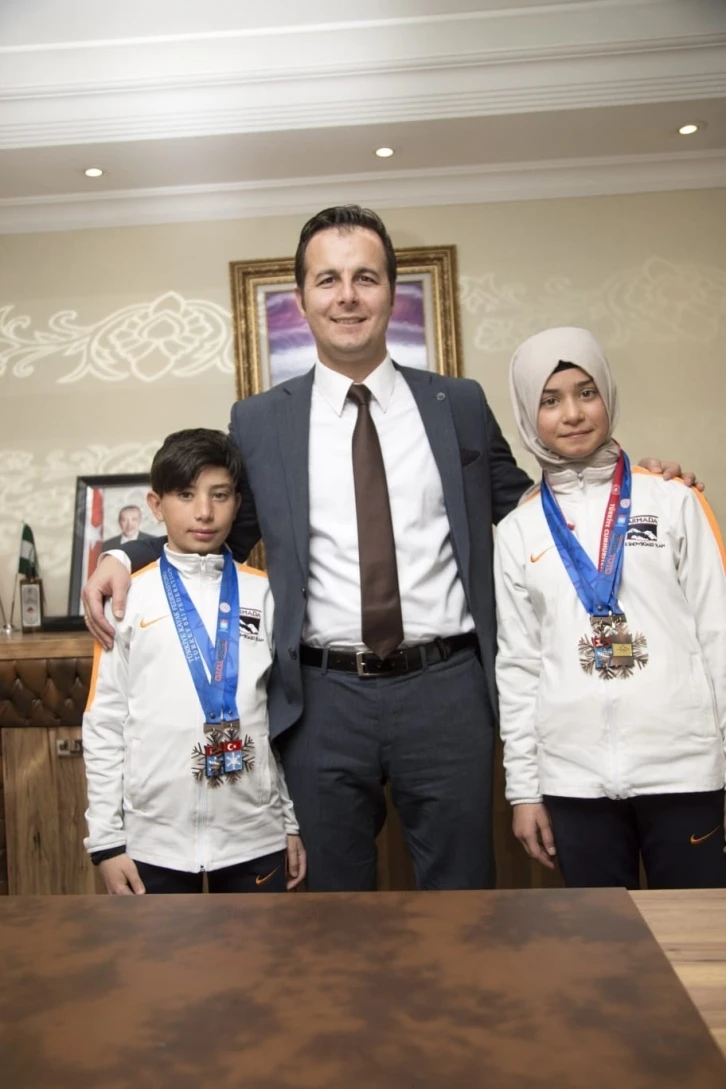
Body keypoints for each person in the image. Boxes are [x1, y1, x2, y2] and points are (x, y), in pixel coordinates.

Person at [82, 205, 696, 893]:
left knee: (463, 899)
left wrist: (635, 483)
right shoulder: (261, 420)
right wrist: (124, 552)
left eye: (365, 278)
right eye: (328, 280)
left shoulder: (457, 404)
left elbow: (536, 507)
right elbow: (223, 521)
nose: (347, 296)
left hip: (447, 690)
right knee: (330, 907)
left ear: (391, 293)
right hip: (320, 699)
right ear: (302, 299)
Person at [494, 327, 726, 889]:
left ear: (609, 395)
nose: (573, 413)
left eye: (586, 392)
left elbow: (718, 635)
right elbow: (519, 666)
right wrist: (524, 790)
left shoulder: (674, 499)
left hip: (685, 772)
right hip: (573, 783)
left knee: (697, 934)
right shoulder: (518, 528)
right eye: (550, 400)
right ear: (527, 412)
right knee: (599, 939)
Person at [83, 428, 306, 895]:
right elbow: (104, 723)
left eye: (219, 495)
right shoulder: (126, 598)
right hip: (152, 844)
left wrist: (287, 822)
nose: (204, 511)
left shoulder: (264, 594)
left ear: (237, 503)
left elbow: (280, 722)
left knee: (262, 948)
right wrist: (106, 842)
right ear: (156, 504)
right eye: (185, 495)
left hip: (254, 837)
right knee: (160, 950)